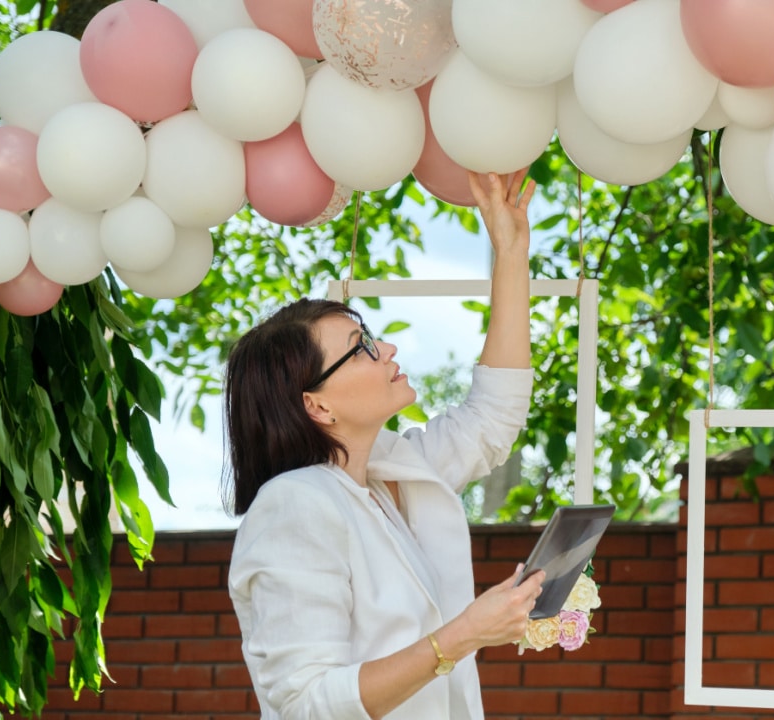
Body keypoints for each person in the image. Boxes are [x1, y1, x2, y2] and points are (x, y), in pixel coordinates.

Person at [223, 171, 543, 720]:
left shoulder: (392, 470)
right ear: (317, 406)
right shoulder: (293, 506)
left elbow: (493, 416)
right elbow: (306, 703)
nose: (387, 347)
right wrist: (465, 633)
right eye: (362, 347)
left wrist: (511, 252)